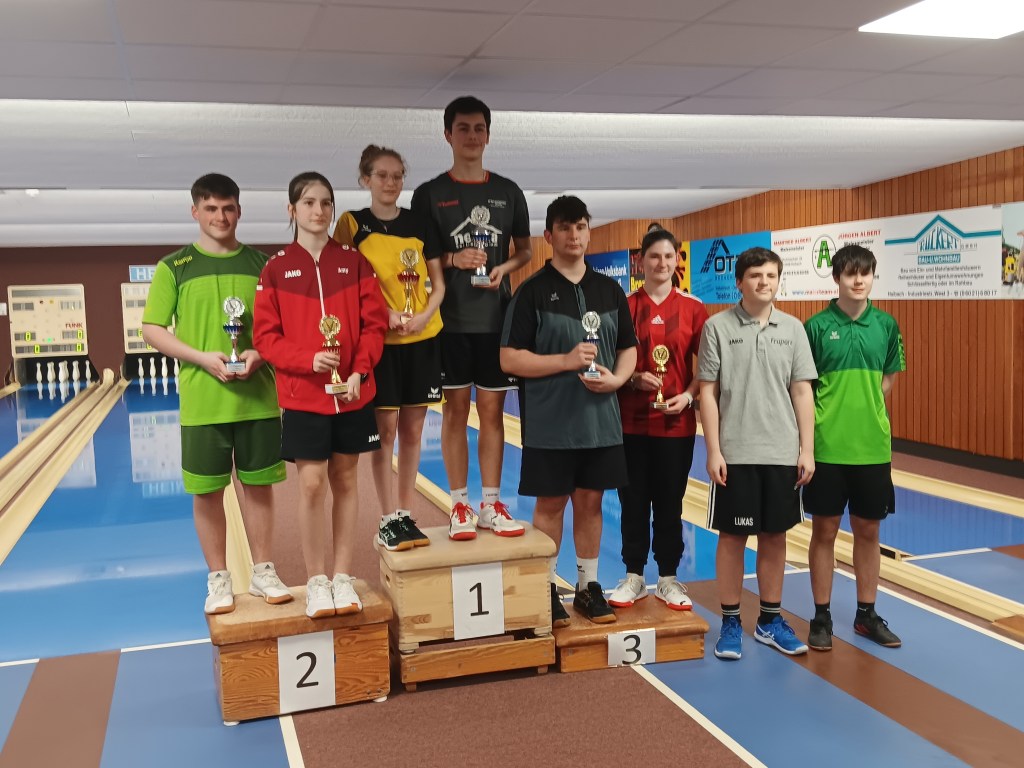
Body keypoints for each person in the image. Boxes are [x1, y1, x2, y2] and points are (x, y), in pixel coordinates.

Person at [142, 173, 291, 615]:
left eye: (228, 208)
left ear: (239, 211)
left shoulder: (265, 264)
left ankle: (263, 571)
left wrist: (260, 353)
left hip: (258, 399)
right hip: (202, 403)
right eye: (210, 208)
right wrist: (202, 358)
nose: (220, 217)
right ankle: (218, 578)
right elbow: (152, 329)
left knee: (259, 487)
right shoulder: (174, 267)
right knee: (207, 493)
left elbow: (284, 327)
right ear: (195, 211)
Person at [253, 171, 388, 619]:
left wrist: (360, 372)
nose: (319, 210)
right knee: (312, 484)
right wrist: (306, 359)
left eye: (326, 202)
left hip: (351, 393)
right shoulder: (276, 269)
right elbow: (265, 338)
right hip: (304, 395)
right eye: (309, 202)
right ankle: (316, 580)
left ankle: (343, 576)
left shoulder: (354, 263)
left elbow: (374, 325)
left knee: (347, 480)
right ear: (292, 210)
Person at [501, 196, 637, 625]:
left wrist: (617, 380)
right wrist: (564, 360)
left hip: (600, 423)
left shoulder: (610, 291)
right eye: (564, 227)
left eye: (580, 226)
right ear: (549, 236)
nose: (573, 235)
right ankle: (545, 587)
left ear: (589, 232)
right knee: (551, 504)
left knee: (591, 503)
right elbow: (509, 358)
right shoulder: (531, 292)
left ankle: (587, 586)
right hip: (551, 425)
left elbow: (629, 348)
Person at [411, 95, 532, 541]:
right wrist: (453, 259)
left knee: (494, 412)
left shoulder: (509, 191)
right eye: (462, 128)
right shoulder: (429, 194)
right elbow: (417, 256)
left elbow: (525, 251)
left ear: (488, 135)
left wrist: (502, 268)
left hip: (497, 321)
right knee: (456, 411)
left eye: (479, 128)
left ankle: (491, 504)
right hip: (450, 322)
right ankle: (460, 504)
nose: (472, 136)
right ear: (448, 135)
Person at [698, 247, 817, 660]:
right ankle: (731, 621)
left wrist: (807, 449)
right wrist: (713, 450)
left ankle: (769, 620)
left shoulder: (794, 329)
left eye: (770, 275)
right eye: (755, 275)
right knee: (732, 537)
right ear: (739, 282)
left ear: (778, 281)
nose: (763, 282)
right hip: (736, 453)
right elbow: (708, 392)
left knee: (774, 536)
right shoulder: (716, 327)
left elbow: (802, 391)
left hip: (781, 453)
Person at [333, 145, 445, 551]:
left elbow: (438, 284)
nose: (390, 182)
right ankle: (387, 518)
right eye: (381, 175)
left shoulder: (421, 223)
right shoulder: (352, 224)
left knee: (413, 430)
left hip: (422, 337)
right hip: (379, 341)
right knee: (385, 430)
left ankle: (405, 513)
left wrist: (423, 314)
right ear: (365, 179)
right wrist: (385, 313)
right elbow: (345, 281)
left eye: (397, 175)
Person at [803, 244, 906, 651]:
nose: (859, 280)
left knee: (869, 531)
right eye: (850, 273)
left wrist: (866, 410)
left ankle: (866, 614)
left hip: (872, 449)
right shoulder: (815, 327)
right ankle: (821, 616)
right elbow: (804, 388)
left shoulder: (886, 325)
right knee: (824, 531)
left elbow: (888, 378)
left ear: (872, 277)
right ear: (837, 278)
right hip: (827, 448)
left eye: (865, 273)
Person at [608, 225, 708, 611]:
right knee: (632, 502)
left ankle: (668, 578)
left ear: (677, 260)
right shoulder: (625, 306)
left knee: (670, 504)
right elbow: (611, 359)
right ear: (640, 261)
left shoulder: (694, 309)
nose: (662, 263)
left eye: (669, 256)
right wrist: (633, 378)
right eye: (654, 256)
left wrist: (688, 395)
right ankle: (634, 576)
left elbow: (707, 368)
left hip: (676, 426)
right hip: (631, 423)